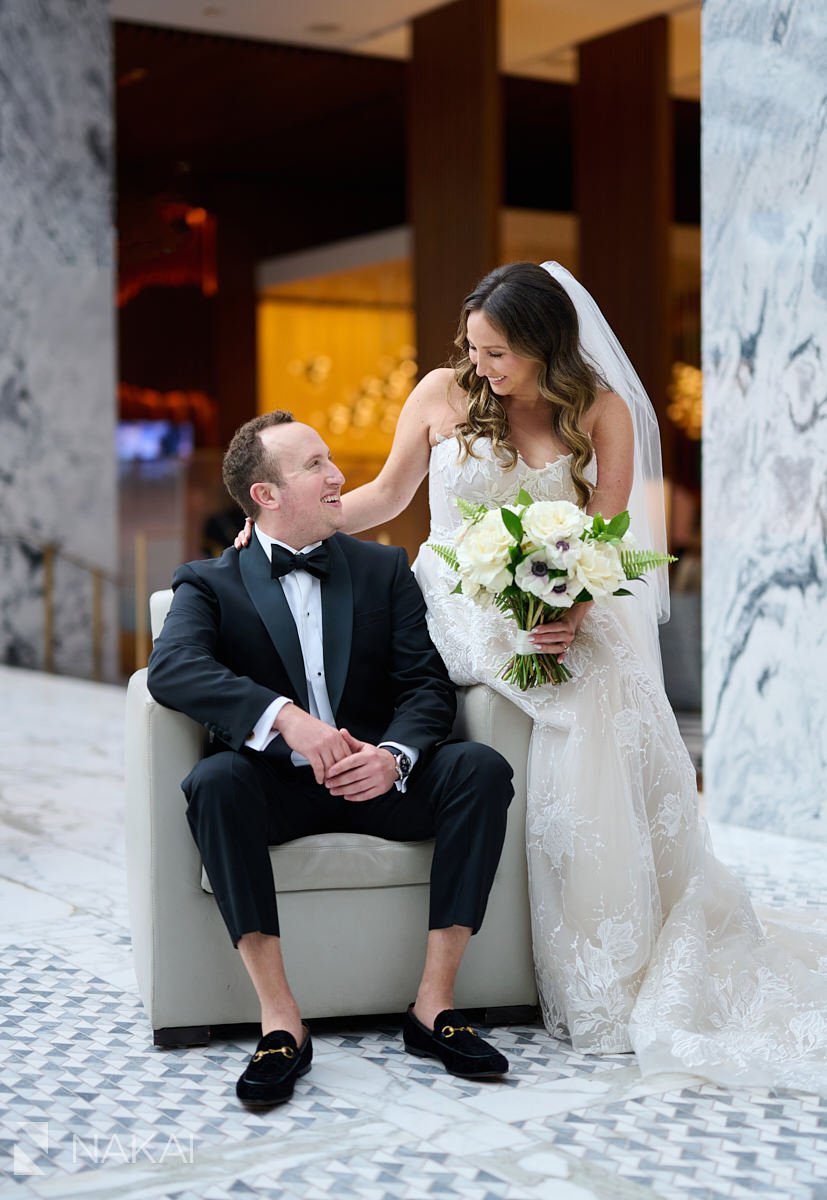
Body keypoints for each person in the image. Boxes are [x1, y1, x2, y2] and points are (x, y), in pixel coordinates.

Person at [237, 261, 827, 1094]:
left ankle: (629, 947)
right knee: (569, 703)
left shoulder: (601, 409)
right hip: (456, 590)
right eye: (474, 348)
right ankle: (594, 959)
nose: (481, 365)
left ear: (544, 346)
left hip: (559, 595)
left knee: (612, 696)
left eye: (498, 352)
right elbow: (383, 495)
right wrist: (280, 524)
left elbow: (607, 532)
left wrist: (574, 606)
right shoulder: (442, 393)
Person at [148, 411, 514, 1109]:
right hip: (276, 790)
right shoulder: (208, 583)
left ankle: (433, 1008)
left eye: (329, 460)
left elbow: (426, 687)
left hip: (379, 782)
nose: (337, 475)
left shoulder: (381, 568)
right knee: (215, 781)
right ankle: (280, 1020)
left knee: (481, 770)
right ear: (265, 495)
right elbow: (173, 670)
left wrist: (394, 757)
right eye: (314, 465)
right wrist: (286, 721)